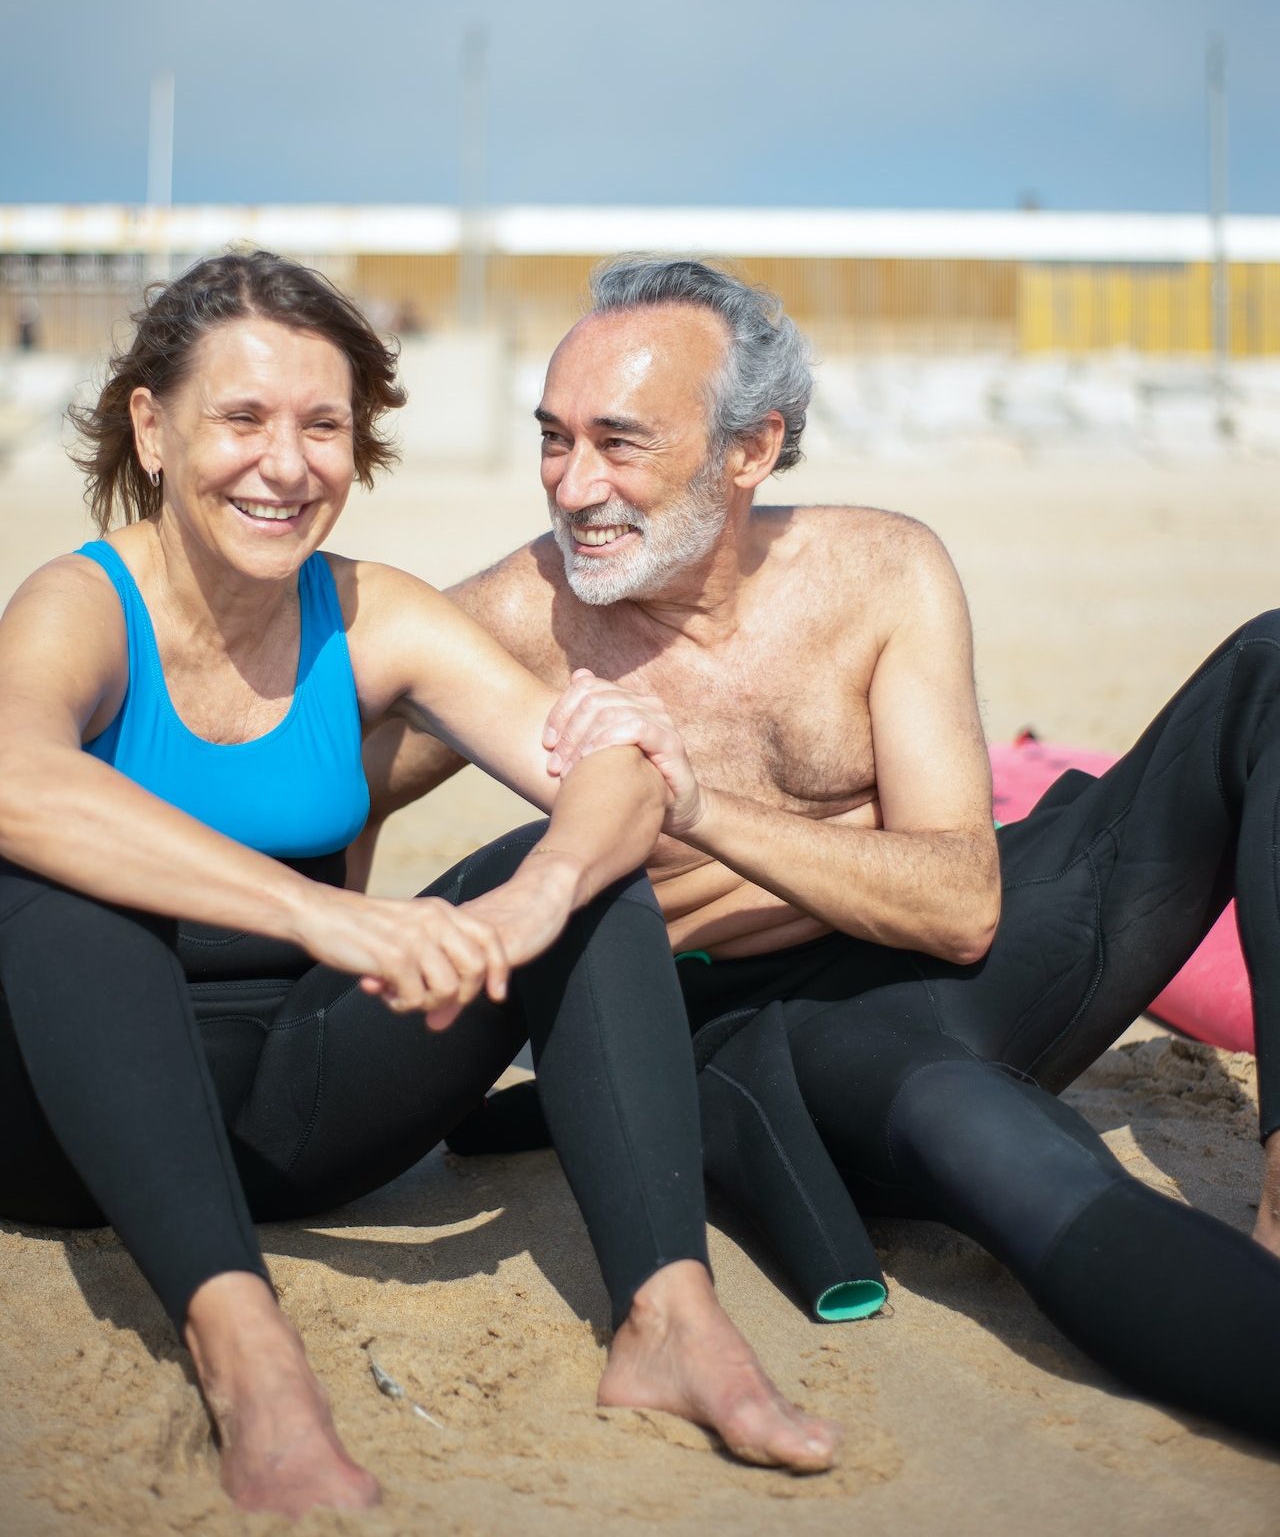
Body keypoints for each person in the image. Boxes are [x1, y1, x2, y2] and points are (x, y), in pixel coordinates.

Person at [357, 255, 1280, 1447]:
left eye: (618, 442)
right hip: (776, 1036)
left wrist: (698, 809)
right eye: (552, 438)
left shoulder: (879, 568)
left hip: (973, 938)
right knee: (1000, 1153)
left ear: (749, 450)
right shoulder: (516, 619)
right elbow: (332, 782)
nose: (572, 486)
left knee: (1266, 667)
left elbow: (960, 902)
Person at [0, 251, 842, 1520]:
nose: (284, 465)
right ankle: (250, 1354)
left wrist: (539, 893)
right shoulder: (83, 605)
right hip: (71, 1131)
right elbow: (15, 778)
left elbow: (612, 763)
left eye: (320, 426)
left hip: (297, 1114)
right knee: (59, 884)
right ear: (152, 429)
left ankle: (667, 1315)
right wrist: (319, 912)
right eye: (241, 418)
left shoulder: (370, 614)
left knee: (592, 875)